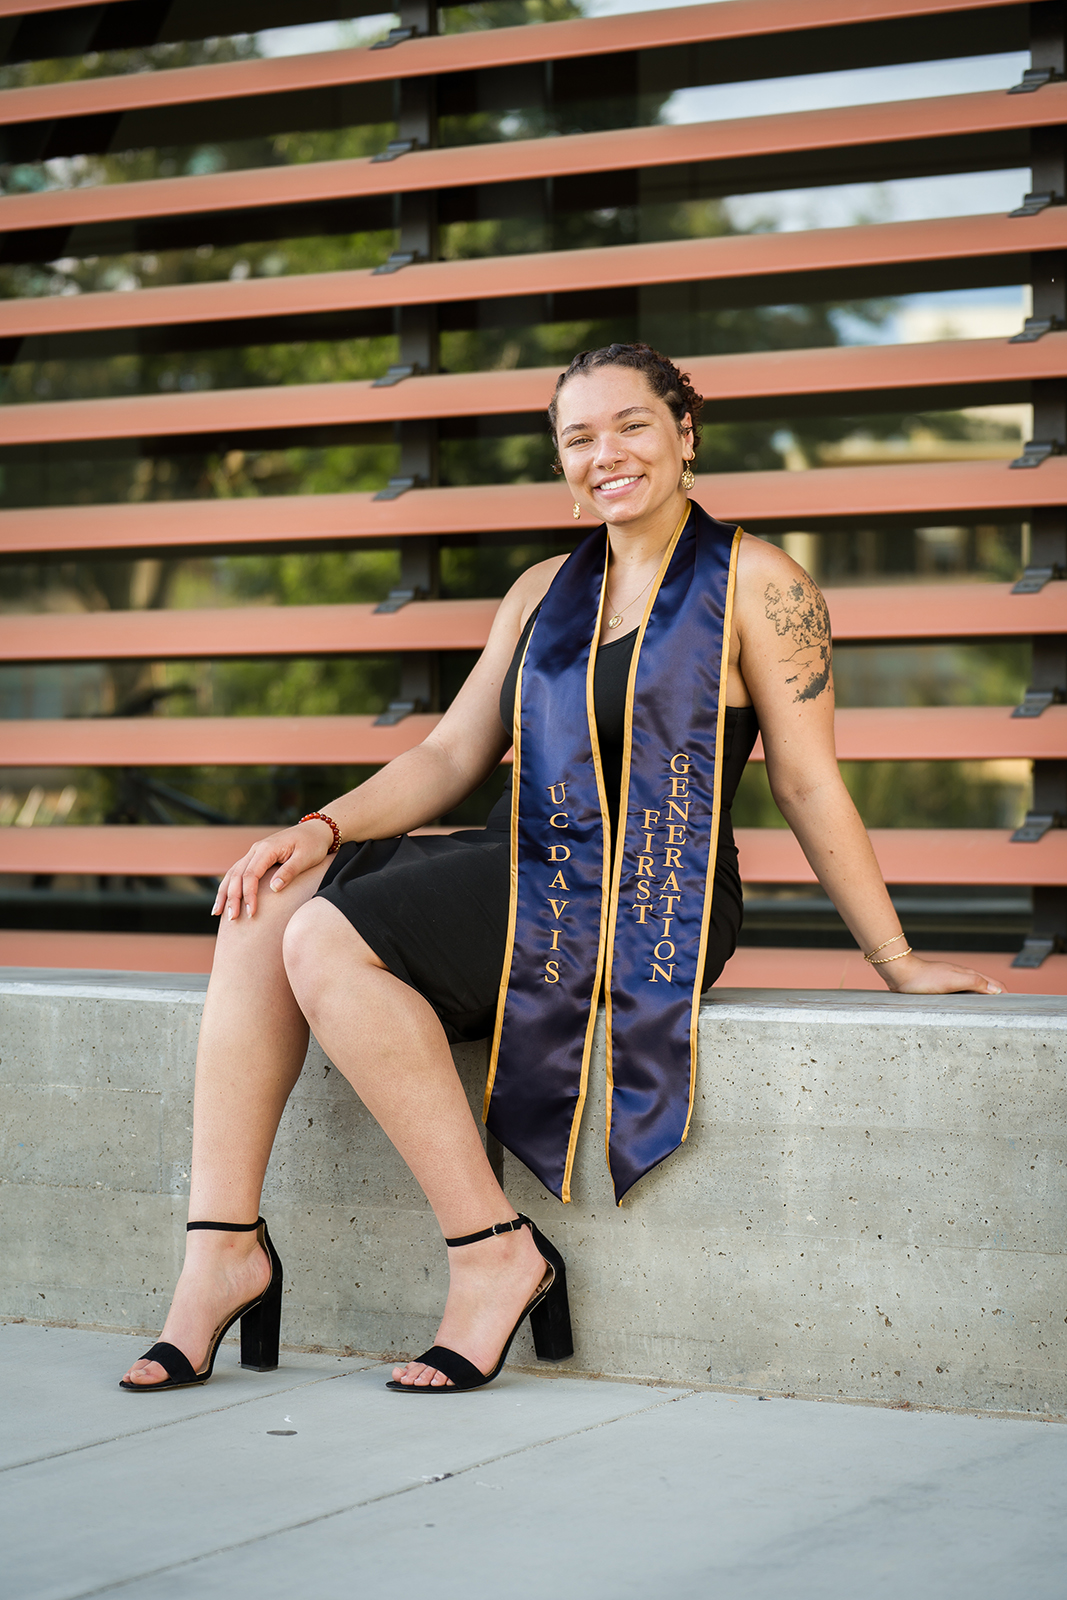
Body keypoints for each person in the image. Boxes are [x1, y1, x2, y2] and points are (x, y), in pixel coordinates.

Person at [120, 343, 1002, 1396]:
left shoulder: (758, 584)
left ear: (685, 431)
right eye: (576, 438)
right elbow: (450, 753)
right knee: (269, 899)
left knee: (323, 935)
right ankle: (220, 1250)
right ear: (559, 463)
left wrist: (894, 958)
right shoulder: (542, 589)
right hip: (526, 862)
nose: (605, 454)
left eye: (630, 424)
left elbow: (809, 787)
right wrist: (317, 826)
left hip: (650, 893)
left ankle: (495, 1253)